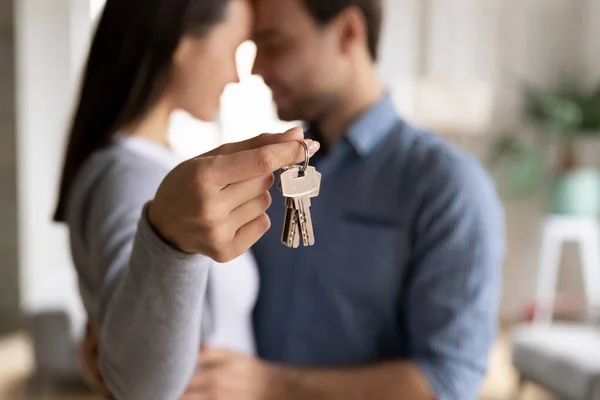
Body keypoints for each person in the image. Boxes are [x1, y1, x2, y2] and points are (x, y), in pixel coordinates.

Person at [190, 0, 506, 399]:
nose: (254, 69)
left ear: (348, 32)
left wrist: (271, 385)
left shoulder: (447, 187)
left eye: (273, 44)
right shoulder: (266, 173)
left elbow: (447, 381)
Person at [53, 0, 318, 399]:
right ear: (182, 42)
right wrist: (169, 246)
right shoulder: (128, 177)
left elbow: (125, 327)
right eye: (234, 50)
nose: (235, 76)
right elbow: (142, 384)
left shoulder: (150, 165)